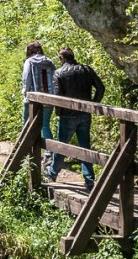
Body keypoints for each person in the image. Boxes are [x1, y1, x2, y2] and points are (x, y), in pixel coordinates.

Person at [47, 47, 106, 188]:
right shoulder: (86, 69)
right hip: (85, 114)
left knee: (62, 146)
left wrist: (59, 112)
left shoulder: (59, 73)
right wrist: (93, 104)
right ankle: (89, 179)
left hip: (67, 115)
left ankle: (52, 173)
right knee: (85, 146)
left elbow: (58, 96)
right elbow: (101, 88)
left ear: (62, 58)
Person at [20, 40, 56, 161]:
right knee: (45, 125)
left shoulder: (29, 62)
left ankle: (25, 149)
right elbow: (55, 79)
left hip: (33, 100)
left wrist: (25, 93)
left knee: (26, 123)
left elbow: (27, 78)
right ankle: (49, 153)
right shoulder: (50, 61)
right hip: (49, 99)